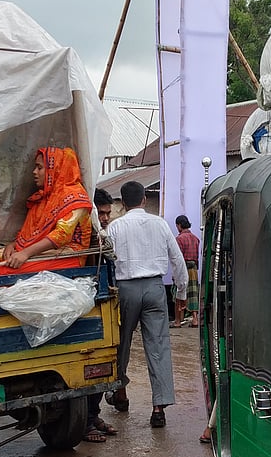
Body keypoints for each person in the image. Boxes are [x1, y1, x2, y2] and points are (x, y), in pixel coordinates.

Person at [103, 181, 188, 428]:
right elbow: (177, 260)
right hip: (154, 288)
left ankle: (120, 393)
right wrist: (180, 292)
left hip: (125, 289)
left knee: (121, 344)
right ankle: (158, 407)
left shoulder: (115, 227)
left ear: (123, 203)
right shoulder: (160, 224)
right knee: (158, 347)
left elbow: (106, 260)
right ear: (142, 200)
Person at [0, 146, 92, 275]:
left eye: (39, 168)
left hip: (67, 256)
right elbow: (31, 234)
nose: (34, 172)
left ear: (53, 169)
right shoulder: (44, 198)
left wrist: (25, 253)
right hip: (39, 253)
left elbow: (61, 236)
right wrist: (13, 245)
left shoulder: (75, 196)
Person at [82, 188, 118, 443]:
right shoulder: (83, 236)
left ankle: (92, 415)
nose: (105, 218)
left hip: (101, 307)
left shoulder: (101, 237)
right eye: (102, 214)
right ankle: (83, 422)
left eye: (108, 214)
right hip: (84, 308)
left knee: (101, 365)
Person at [173, 215, 200, 328]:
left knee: (179, 293)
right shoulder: (195, 238)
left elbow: (178, 258)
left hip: (183, 268)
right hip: (193, 268)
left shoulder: (179, 239)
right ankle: (195, 319)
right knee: (193, 294)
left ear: (179, 225)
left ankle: (178, 321)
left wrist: (175, 274)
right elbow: (197, 256)